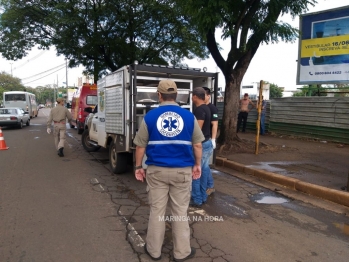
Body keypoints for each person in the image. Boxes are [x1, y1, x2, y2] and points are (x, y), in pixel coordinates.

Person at [133, 80, 204, 262]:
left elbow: (140, 145)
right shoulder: (189, 117)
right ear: (177, 94)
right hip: (182, 172)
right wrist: (197, 165)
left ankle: (154, 251)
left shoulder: (150, 116)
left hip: (156, 171)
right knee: (180, 212)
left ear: (159, 95)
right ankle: (182, 253)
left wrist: (138, 166)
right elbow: (197, 144)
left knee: (157, 211)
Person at [190, 87, 213, 208]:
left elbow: (196, 131)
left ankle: (196, 199)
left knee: (196, 171)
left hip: (201, 144)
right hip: (207, 142)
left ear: (195, 96)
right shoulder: (207, 108)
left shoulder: (199, 110)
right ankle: (203, 197)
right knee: (203, 172)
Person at [202, 87, 218, 196]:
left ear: (208, 96)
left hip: (207, 140)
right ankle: (210, 185)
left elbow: (215, 124)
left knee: (204, 165)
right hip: (201, 140)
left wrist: (213, 139)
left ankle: (210, 186)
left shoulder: (212, 108)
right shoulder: (200, 107)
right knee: (204, 165)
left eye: (203, 95)